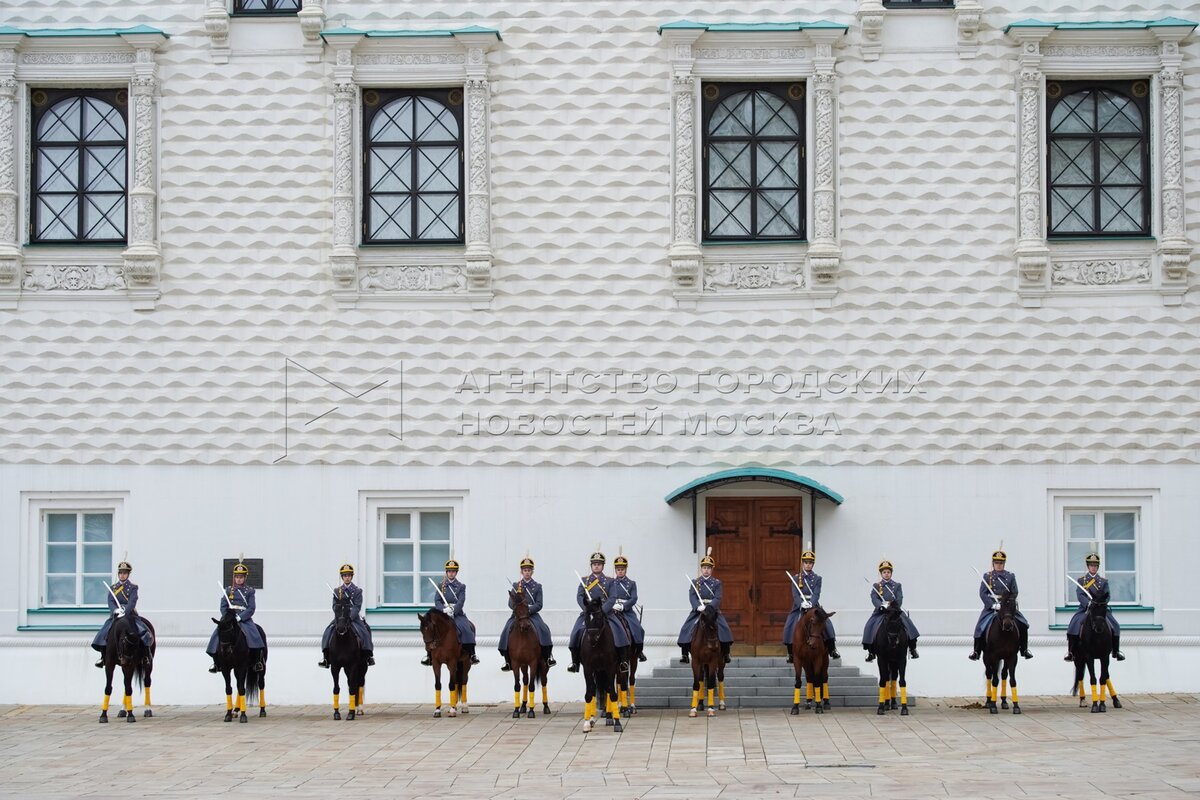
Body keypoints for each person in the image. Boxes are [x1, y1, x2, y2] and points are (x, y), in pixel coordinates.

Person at [566, 551, 630, 672]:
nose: (596, 566)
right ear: (591, 566)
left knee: (620, 631)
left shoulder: (610, 581)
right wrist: (587, 610)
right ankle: (575, 662)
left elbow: (612, 598)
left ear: (603, 566)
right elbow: (579, 597)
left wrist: (602, 611)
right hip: (589, 613)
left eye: (599, 564)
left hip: (606, 613)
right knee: (576, 632)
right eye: (594, 564)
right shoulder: (584, 581)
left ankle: (623, 661)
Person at [968, 549, 1033, 660]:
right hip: (991, 607)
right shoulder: (987, 576)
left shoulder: (1010, 576)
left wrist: (1006, 603)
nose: (999, 565)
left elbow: (1014, 592)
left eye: (1001, 563)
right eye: (997, 563)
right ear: (993, 563)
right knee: (980, 626)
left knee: (1023, 623)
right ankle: (976, 651)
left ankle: (1024, 649)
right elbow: (983, 593)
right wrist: (992, 605)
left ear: (1004, 563)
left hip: (1007, 608)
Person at [91, 560, 153, 668]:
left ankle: (146, 655)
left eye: (124, 573)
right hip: (116, 614)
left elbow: (132, 601)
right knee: (105, 631)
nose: (122, 575)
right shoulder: (113, 588)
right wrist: (115, 610)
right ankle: (103, 657)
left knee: (143, 631)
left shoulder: (133, 587)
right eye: (120, 573)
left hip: (130, 614)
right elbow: (110, 601)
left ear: (128, 574)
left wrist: (125, 610)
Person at [498, 556, 556, 670]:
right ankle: (507, 660)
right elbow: (510, 604)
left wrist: (528, 609)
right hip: (518, 615)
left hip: (532, 614)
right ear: (521, 571)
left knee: (544, 629)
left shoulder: (538, 586)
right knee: (506, 629)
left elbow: (539, 604)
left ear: (532, 571)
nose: (527, 572)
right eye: (525, 570)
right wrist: (520, 609)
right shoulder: (516, 586)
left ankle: (548, 657)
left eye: (529, 570)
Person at [1065, 552, 1124, 661]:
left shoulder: (1103, 582)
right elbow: (1080, 595)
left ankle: (1116, 651)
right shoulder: (1082, 581)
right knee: (1074, 624)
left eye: (1095, 565)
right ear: (1088, 566)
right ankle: (1071, 652)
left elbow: (1108, 595)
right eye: (1091, 565)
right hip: (1086, 609)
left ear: (1098, 567)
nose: (1093, 567)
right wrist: (1088, 603)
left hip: (1100, 610)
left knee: (1115, 625)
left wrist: (1101, 603)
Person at [207, 562, 265, 673]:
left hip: (244, 618)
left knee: (255, 635)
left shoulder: (250, 591)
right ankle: (216, 662)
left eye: (241, 577)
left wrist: (240, 617)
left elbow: (251, 608)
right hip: (230, 618)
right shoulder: (228, 590)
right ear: (234, 577)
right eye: (237, 577)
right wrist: (227, 617)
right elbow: (223, 605)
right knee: (217, 635)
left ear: (245, 578)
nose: (239, 579)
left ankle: (257, 661)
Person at [783, 549, 840, 662]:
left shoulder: (818, 579)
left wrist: (811, 603)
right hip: (799, 607)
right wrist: (801, 603)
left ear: (813, 564)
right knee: (789, 625)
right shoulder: (795, 578)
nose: (808, 565)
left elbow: (816, 593)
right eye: (806, 562)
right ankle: (790, 653)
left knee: (827, 623)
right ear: (802, 563)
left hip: (813, 605)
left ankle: (832, 649)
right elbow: (795, 594)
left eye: (810, 563)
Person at [677, 552, 733, 665]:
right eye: (704, 568)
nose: (706, 570)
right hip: (698, 610)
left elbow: (718, 597)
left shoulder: (717, 583)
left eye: (708, 568)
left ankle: (726, 653)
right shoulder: (695, 583)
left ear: (712, 570)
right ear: (701, 569)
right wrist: (697, 606)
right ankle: (685, 654)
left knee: (724, 628)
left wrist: (710, 608)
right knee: (686, 628)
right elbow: (692, 596)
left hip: (712, 611)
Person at [421, 559, 479, 665]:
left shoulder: (461, 586)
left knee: (467, 629)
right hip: (443, 615)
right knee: (430, 629)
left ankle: (472, 654)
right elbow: (437, 600)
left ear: (456, 572)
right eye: (449, 571)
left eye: (453, 571)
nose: (451, 573)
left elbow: (461, 601)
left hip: (457, 614)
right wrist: (443, 610)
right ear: (446, 572)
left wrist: (454, 610)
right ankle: (429, 655)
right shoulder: (441, 585)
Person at [317, 564, 375, 668]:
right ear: (342, 577)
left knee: (364, 632)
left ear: (351, 576)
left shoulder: (357, 591)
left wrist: (350, 617)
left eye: (348, 575)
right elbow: (334, 606)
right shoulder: (337, 591)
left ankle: (368, 655)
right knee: (328, 631)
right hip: (340, 618)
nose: (347, 577)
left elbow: (357, 606)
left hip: (353, 618)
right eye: (344, 575)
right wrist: (340, 613)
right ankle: (326, 657)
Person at [862, 560, 919, 661]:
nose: (886, 574)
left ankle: (913, 647)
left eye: (888, 572)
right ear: (881, 574)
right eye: (884, 572)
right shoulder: (876, 586)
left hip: (895, 611)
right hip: (881, 611)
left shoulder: (897, 585)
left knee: (908, 623)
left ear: (891, 573)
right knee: (869, 625)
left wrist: (893, 606)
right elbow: (874, 598)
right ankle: (870, 651)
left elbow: (899, 598)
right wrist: (882, 605)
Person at [611, 553, 647, 662]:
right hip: (612, 610)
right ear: (615, 570)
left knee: (638, 629)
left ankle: (639, 651)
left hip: (626, 611)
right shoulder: (610, 583)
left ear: (626, 570)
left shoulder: (631, 584)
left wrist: (623, 606)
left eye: (622, 569)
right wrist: (612, 605)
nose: (620, 571)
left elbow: (634, 598)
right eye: (618, 569)